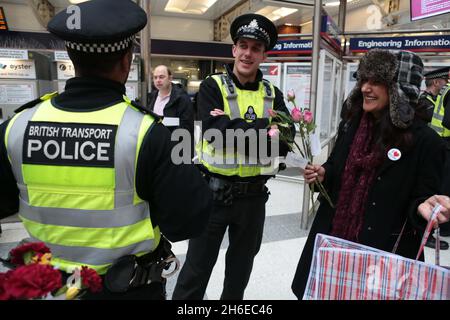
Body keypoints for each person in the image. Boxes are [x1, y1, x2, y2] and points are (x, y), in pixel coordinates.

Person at [0, 0, 212, 300]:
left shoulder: (17, 126)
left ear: (72, 57)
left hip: (49, 288)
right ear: (127, 60)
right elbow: (188, 220)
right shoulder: (147, 133)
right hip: (127, 289)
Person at [291, 49, 446, 299]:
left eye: (376, 82)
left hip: (382, 257)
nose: (365, 88)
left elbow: (422, 199)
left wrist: (423, 208)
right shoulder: (352, 125)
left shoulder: (426, 143)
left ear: (398, 89)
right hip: (335, 244)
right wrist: (324, 174)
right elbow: (335, 166)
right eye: (363, 79)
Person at [172, 13, 293, 300]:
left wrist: (231, 125)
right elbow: (214, 135)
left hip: (253, 200)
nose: (248, 53)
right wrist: (265, 131)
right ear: (234, 49)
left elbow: (285, 141)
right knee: (195, 272)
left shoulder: (272, 93)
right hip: (214, 196)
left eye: (255, 48)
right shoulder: (212, 87)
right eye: (243, 45)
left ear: (264, 55)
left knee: (239, 275)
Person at [148, 65, 194, 135]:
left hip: (174, 142)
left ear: (170, 78)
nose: (158, 80)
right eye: (155, 77)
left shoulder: (182, 98)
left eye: (161, 77)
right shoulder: (152, 96)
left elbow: (187, 126)